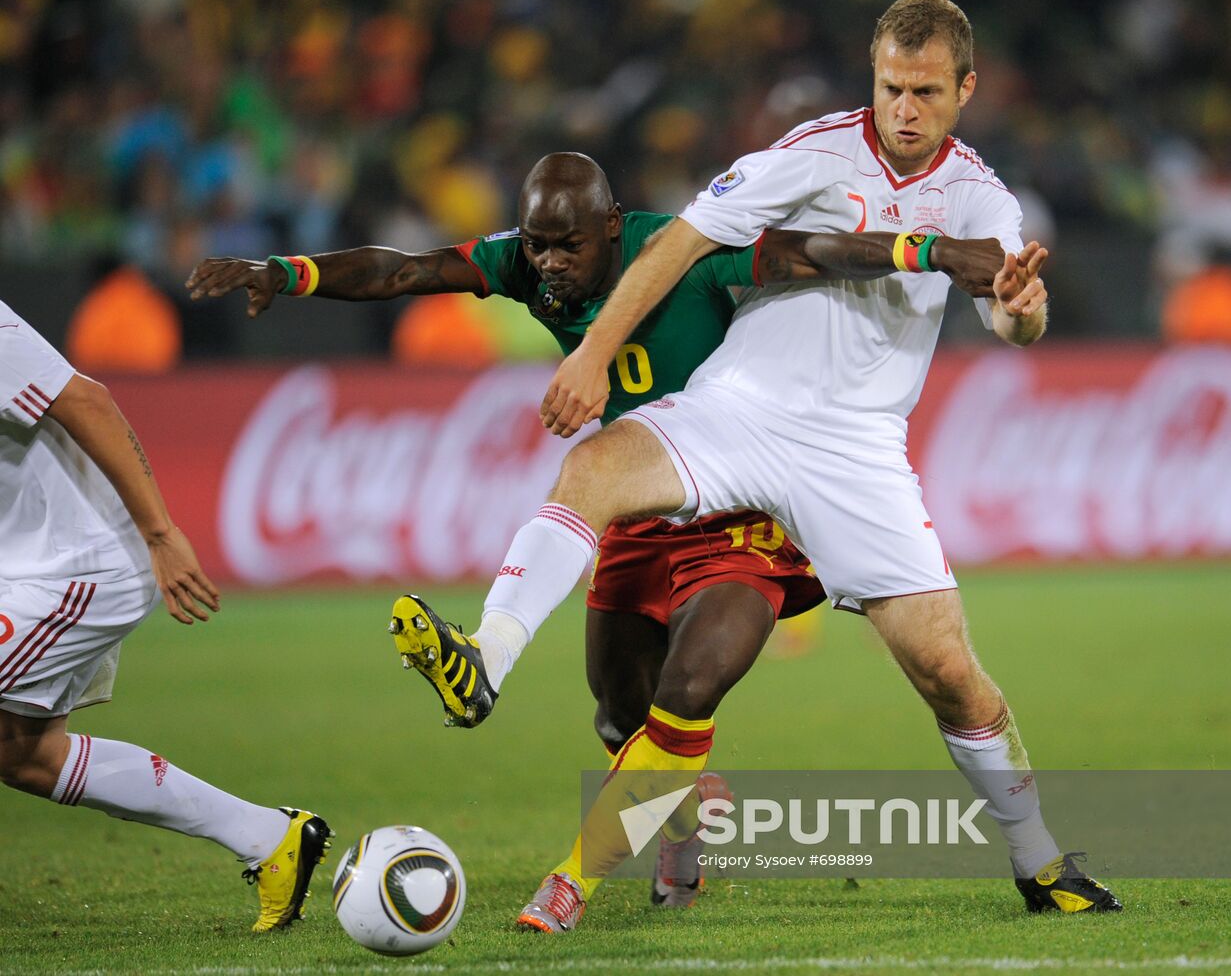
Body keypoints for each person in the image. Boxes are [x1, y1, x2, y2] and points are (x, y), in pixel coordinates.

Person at [384, 0, 1123, 921]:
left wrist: (1020, 310)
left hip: (858, 452)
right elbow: (678, 244)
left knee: (947, 673)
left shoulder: (981, 198)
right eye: (890, 87)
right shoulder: (811, 152)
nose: (903, 109)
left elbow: (1014, 320)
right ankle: (485, 658)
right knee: (593, 469)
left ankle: (1039, 861)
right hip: (740, 408)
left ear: (965, 89)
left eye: (926, 92)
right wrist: (593, 352)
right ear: (872, 77)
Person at [186, 151, 1006, 931]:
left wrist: (924, 251)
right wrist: (286, 273)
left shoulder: (685, 248)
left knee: (688, 690)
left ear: (612, 225)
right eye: (535, 244)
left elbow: (803, 251)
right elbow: (405, 271)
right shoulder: (527, 266)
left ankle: (570, 883)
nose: (548, 263)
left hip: (741, 510)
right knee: (619, 718)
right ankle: (680, 814)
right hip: (635, 507)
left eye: (567, 245)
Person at [0, 301, 331, 933]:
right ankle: (269, 837)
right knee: (24, 755)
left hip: (78, 568)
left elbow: (88, 400)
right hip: (26, 565)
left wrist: (161, 534)